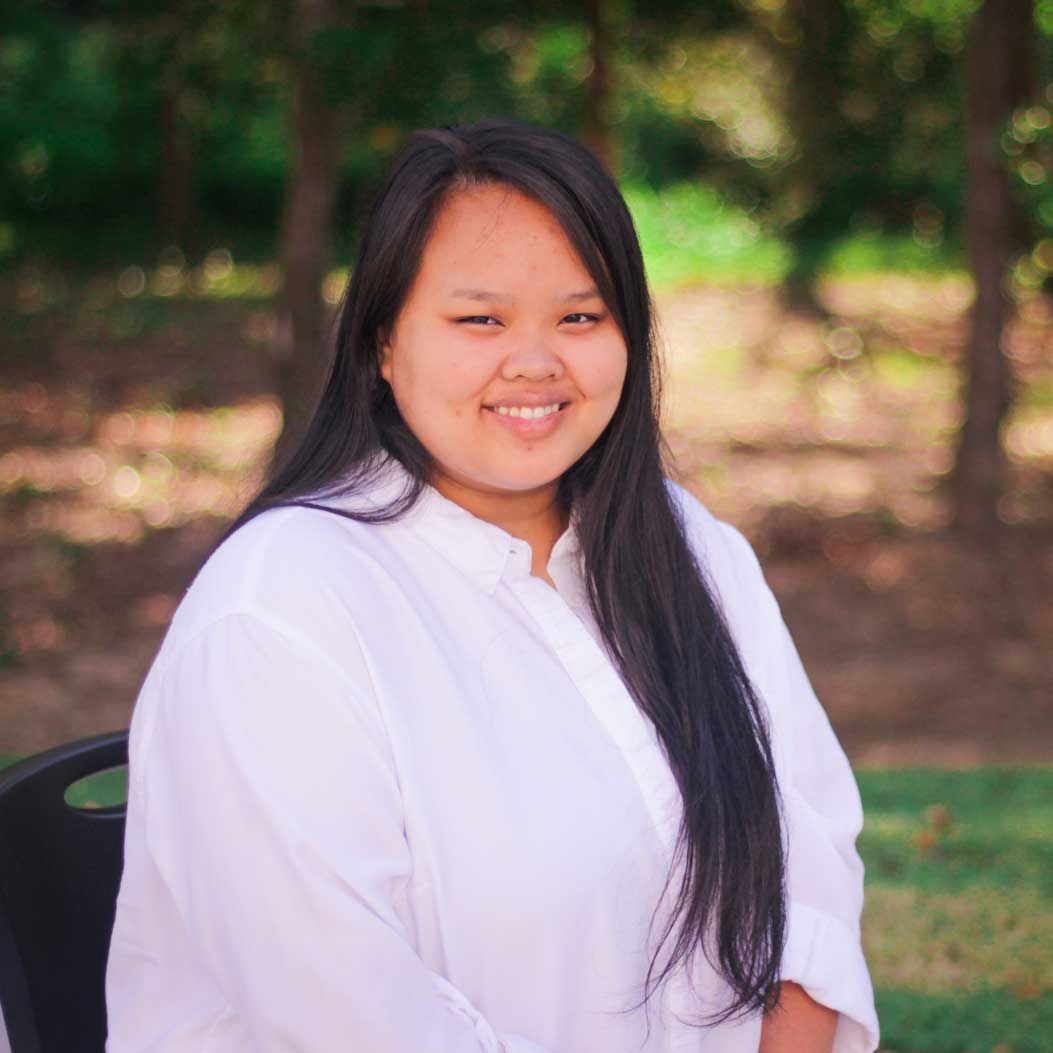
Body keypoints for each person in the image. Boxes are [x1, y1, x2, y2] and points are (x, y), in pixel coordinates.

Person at [105, 119, 879, 1053]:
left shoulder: (688, 549)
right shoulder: (276, 617)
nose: (536, 362)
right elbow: (349, 1018)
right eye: (480, 319)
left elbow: (805, 862)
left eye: (580, 317)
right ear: (383, 344)